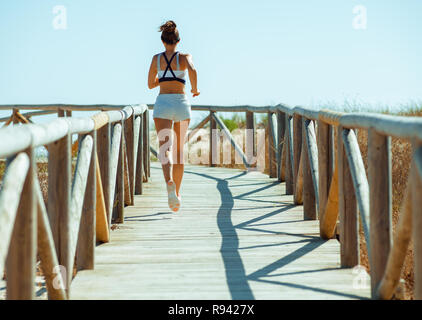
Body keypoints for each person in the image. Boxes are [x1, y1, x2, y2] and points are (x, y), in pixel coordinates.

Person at [148, 20, 200, 212]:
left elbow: (150, 84)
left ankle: (168, 182)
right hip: (181, 103)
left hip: (163, 103)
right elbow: (193, 70)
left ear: (163, 41)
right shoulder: (185, 57)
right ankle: (177, 193)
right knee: (179, 151)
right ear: (178, 40)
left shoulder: (156, 59)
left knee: (165, 150)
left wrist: (161, 78)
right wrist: (194, 89)